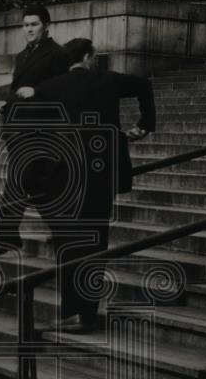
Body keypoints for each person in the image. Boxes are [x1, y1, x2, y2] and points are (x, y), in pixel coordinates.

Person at [22, 38, 156, 333]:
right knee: (96, 239)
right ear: (87, 56)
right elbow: (144, 86)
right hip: (101, 173)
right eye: (95, 56)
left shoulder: (50, 88)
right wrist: (145, 124)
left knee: (68, 243)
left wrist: (33, 181)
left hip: (64, 176)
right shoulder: (108, 80)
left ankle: (73, 311)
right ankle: (87, 313)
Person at [0, 5, 68, 257]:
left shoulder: (57, 53)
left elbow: (64, 88)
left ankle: (7, 237)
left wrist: (38, 92)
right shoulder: (23, 56)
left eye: (34, 24)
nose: (29, 29)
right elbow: (19, 88)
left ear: (46, 25)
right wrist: (6, 103)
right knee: (38, 188)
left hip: (41, 132)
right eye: (25, 25)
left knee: (17, 181)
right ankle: (63, 233)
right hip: (19, 130)